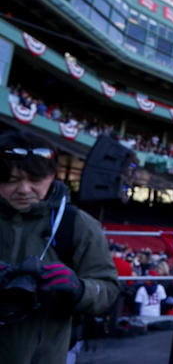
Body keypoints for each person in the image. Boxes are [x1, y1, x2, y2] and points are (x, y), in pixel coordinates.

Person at [0, 131, 120, 364]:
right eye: (11, 181)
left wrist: (79, 289)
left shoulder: (77, 224)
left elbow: (108, 289)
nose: (24, 190)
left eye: (35, 180)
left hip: (44, 355)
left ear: (52, 176)